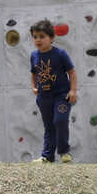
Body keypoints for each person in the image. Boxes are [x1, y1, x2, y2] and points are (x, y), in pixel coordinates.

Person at [29, 19, 78, 163]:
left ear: (51, 38)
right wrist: (34, 86)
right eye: (35, 37)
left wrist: (73, 91)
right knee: (49, 126)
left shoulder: (60, 54)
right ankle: (47, 156)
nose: (38, 40)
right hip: (44, 97)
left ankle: (64, 152)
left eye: (42, 36)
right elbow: (33, 73)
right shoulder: (34, 56)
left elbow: (72, 72)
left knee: (60, 120)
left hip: (62, 96)